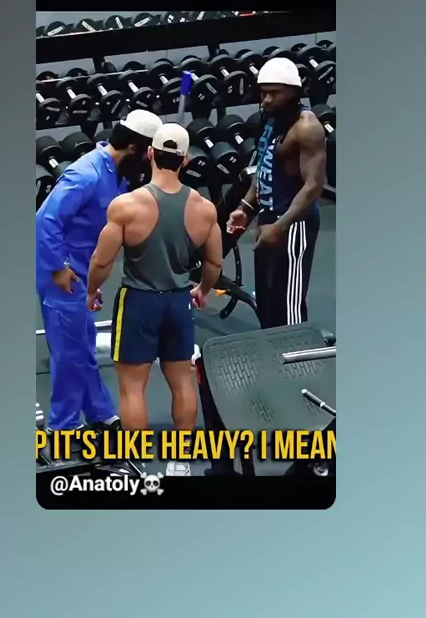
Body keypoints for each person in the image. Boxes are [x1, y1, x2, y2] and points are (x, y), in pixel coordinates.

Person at [87, 123, 223, 476]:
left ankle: (136, 464)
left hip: (139, 303)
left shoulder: (127, 206)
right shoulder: (205, 209)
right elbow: (214, 263)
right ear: (186, 160)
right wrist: (202, 290)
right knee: (182, 381)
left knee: (133, 388)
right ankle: (181, 463)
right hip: (178, 302)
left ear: (150, 153)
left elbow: (101, 261)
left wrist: (91, 290)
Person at [36, 109, 163, 434]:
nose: (149, 163)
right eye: (148, 154)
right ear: (134, 148)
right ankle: (62, 427)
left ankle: (99, 411)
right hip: (62, 273)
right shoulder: (87, 175)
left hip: (81, 270)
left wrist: (92, 278)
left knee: (83, 344)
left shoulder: (117, 172)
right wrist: (59, 269)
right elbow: (45, 221)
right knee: (69, 352)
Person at [227, 57, 326, 329]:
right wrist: (245, 208)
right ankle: (272, 351)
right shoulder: (271, 121)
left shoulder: (306, 127)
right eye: (263, 93)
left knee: (288, 305)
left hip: (294, 224)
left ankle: (296, 356)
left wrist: (280, 226)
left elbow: (313, 186)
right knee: (268, 301)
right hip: (269, 219)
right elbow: (264, 167)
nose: (267, 100)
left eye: (275, 93)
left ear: (293, 92)